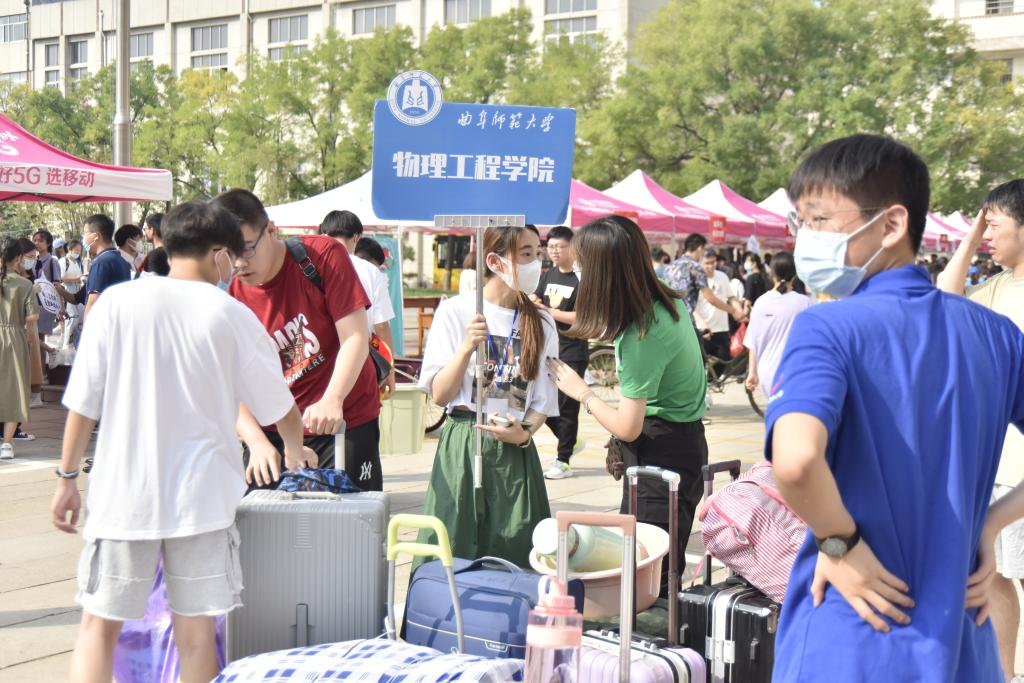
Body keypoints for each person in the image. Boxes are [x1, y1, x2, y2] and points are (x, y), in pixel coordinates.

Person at [767, 134, 1024, 682]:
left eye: (819, 220)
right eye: (801, 222)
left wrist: (840, 542)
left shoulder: (825, 328)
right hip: (963, 641)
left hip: (852, 632)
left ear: (891, 225)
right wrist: (991, 523)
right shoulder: (997, 335)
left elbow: (795, 460)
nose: (805, 238)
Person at [50, 201, 309, 683]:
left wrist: (66, 478)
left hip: (123, 497)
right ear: (219, 253)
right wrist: (294, 448)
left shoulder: (117, 304)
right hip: (202, 502)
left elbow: (83, 404)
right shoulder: (230, 314)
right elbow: (280, 406)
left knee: (97, 628)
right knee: (196, 636)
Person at [548, 215, 708, 585]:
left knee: (646, 576)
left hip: (660, 457)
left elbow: (629, 426)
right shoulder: (665, 302)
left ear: (604, 272)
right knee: (656, 567)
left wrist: (582, 393)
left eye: (583, 266)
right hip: (682, 446)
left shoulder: (641, 334)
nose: (579, 274)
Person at [211, 190, 383, 491]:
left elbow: (354, 336)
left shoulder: (322, 256)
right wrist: (256, 441)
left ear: (271, 231)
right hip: (274, 433)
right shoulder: (233, 298)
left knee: (350, 517)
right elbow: (232, 384)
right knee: (269, 518)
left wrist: (333, 399)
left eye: (246, 249)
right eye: (226, 254)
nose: (238, 264)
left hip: (342, 421)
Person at [416, 225, 558, 568]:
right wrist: (466, 348)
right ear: (495, 261)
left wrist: (525, 434)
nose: (536, 263)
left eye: (538, 253)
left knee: (516, 548)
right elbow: (440, 395)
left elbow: (543, 399)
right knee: (452, 544)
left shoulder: (541, 321)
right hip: (464, 441)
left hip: (514, 447)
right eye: (526, 254)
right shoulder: (456, 311)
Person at [937, 180, 1024, 680]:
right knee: (998, 577)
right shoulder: (997, 286)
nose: (986, 234)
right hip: (998, 460)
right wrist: (969, 240)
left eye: (994, 224)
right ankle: (1006, 673)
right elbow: (945, 301)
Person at [319, 210, 397, 398]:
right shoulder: (370, 271)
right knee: (359, 412)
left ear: (324, 234)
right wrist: (390, 370)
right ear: (356, 237)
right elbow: (381, 325)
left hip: (317, 361)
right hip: (358, 360)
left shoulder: (311, 265)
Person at [530, 226, 588, 480]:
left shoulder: (581, 278)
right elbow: (537, 296)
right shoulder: (549, 274)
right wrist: (533, 300)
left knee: (567, 408)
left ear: (572, 247)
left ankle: (563, 460)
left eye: (559, 246)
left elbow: (583, 316)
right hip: (548, 348)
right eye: (550, 246)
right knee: (539, 399)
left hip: (572, 350)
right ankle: (570, 441)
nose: (553, 251)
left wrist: (550, 312)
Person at [743, 251, 813, 399]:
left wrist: (752, 372)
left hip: (766, 374)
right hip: (795, 373)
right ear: (795, 275)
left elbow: (753, 342)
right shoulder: (804, 303)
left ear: (772, 273)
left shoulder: (761, 302)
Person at [0, 237, 39, 461]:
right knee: (14, 389)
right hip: (14, 337)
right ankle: (7, 443)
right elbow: (32, 317)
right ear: (18, 258)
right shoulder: (24, 284)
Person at [663, 233, 745, 323]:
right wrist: (734, 311)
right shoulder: (696, 267)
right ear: (700, 248)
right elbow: (710, 298)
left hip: (670, 315)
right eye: (703, 250)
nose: (702, 254)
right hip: (686, 318)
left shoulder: (670, 266)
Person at [80, 214, 132, 326]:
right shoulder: (120, 259)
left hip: (102, 327)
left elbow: (93, 303)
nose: (83, 238)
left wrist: (87, 332)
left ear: (96, 236)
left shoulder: (101, 262)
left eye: (85, 233)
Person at [695, 248, 733, 362]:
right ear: (700, 263)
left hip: (721, 329)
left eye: (713, 262)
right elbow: (692, 307)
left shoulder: (722, 276)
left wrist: (738, 309)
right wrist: (702, 324)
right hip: (704, 330)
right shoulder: (695, 279)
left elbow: (731, 296)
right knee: (703, 365)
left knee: (723, 365)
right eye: (707, 263)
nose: (711, 266)